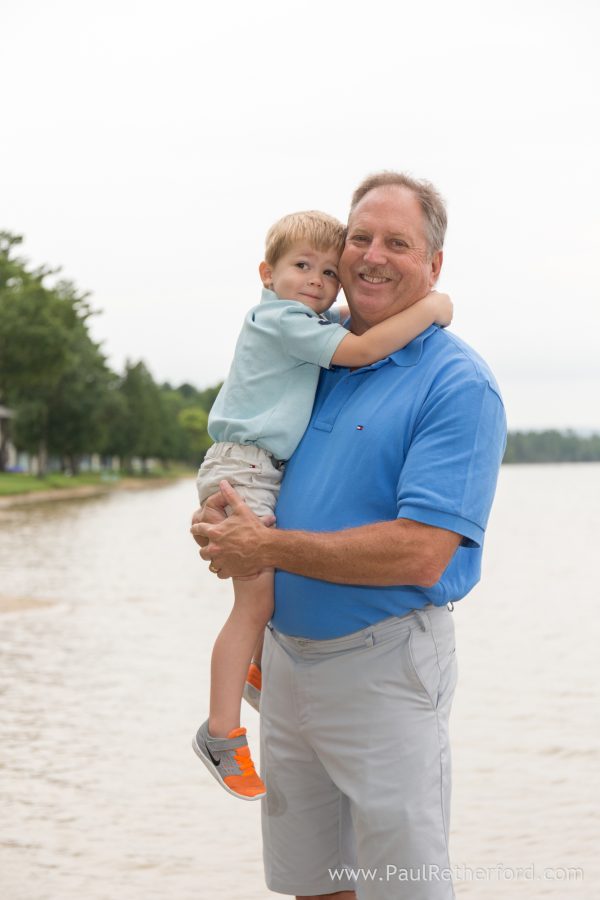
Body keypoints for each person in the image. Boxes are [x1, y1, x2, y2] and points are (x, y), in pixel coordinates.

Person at [192, 172, 507, 899]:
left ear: (433, 266)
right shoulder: (317, 354)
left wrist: (265, 549)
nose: (370, 256)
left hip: (386, 670)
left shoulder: (458, 383)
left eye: (397, 242)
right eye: (357, 239)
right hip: (285, 668)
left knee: (404, 888)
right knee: (314, 884)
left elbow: (421, 551)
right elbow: (259, 462)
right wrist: (221, 519)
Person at [192, 209, 453, 802]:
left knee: (258, 599)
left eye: (329, 272)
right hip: (246, 468)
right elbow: (361, 349)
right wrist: (432, 308)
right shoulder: (283, 319)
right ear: (267, 273)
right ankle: (220, 732)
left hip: (251, 466)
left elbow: (343, 327)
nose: (316, 281)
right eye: (302, 266)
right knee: (252, 604)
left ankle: (255, 673)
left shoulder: (300, 319)